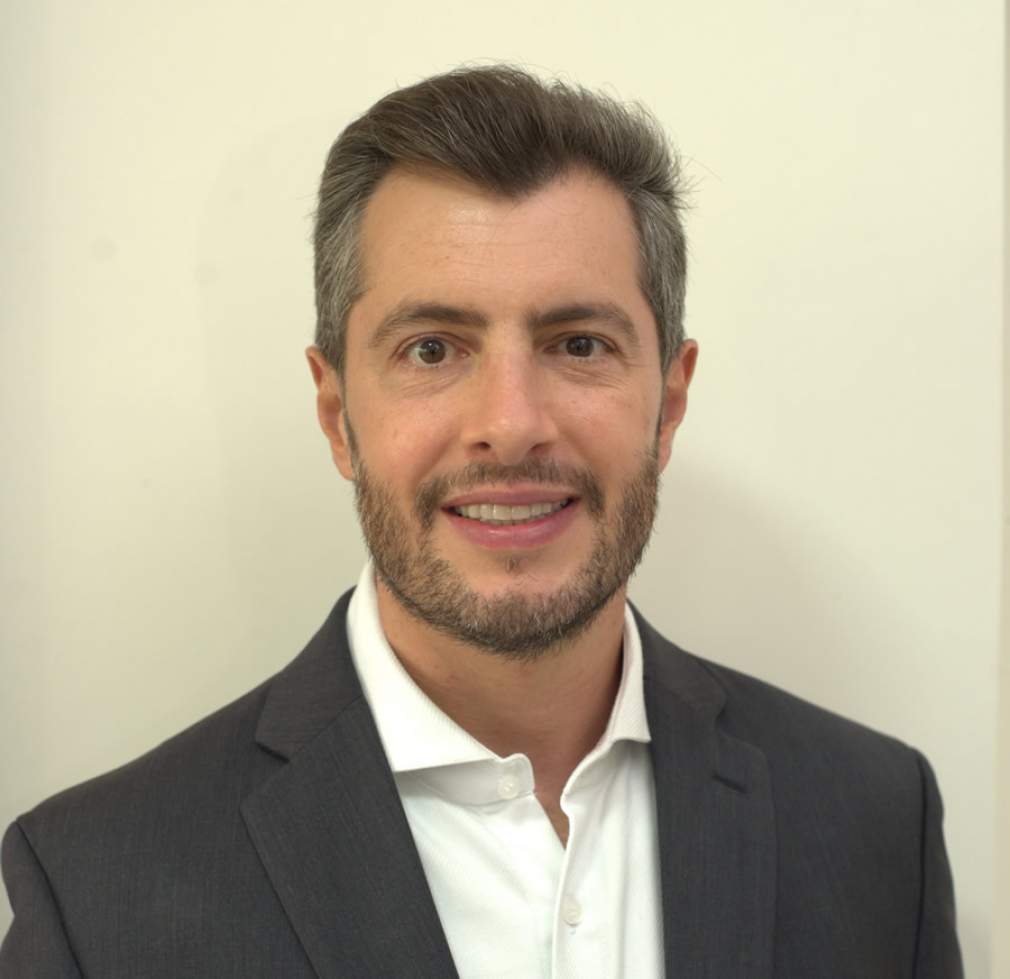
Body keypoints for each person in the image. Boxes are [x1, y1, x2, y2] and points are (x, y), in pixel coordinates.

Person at [1, 65, 962, 978]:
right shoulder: (95, 890)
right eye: (432, 349)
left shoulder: (877, 822)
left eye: (578, 343)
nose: (511, 423)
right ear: (337, 415)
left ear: (668, 404)